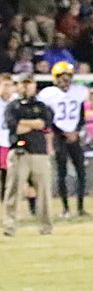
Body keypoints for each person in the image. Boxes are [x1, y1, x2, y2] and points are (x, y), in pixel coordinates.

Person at [1, 74, 54, 235]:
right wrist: (34, 124)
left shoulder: (42, 106)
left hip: (39, 152)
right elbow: (14, 127)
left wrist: (25, 123)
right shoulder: (12, 106)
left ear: (34, 85)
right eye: (22, 84)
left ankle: (46, 227)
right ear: (18, 86)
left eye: (28, 83)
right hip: (19, 153)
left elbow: (45, 124)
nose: (26, 87)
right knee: (13, 191)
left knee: (44, 193)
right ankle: (9, 226)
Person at [37, 60, 90, 217]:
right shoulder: (48, 94)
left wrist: (77, 131)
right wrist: (63, 132)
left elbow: (81, 114)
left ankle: (80, 207)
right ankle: (65, 208)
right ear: (55, 78)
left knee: (81, 171)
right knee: (62, 172)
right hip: (59, 137)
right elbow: (47, 117)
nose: (65, 79)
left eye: (67, 76)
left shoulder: (78, 91)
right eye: (61, 76)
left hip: (74, 135)